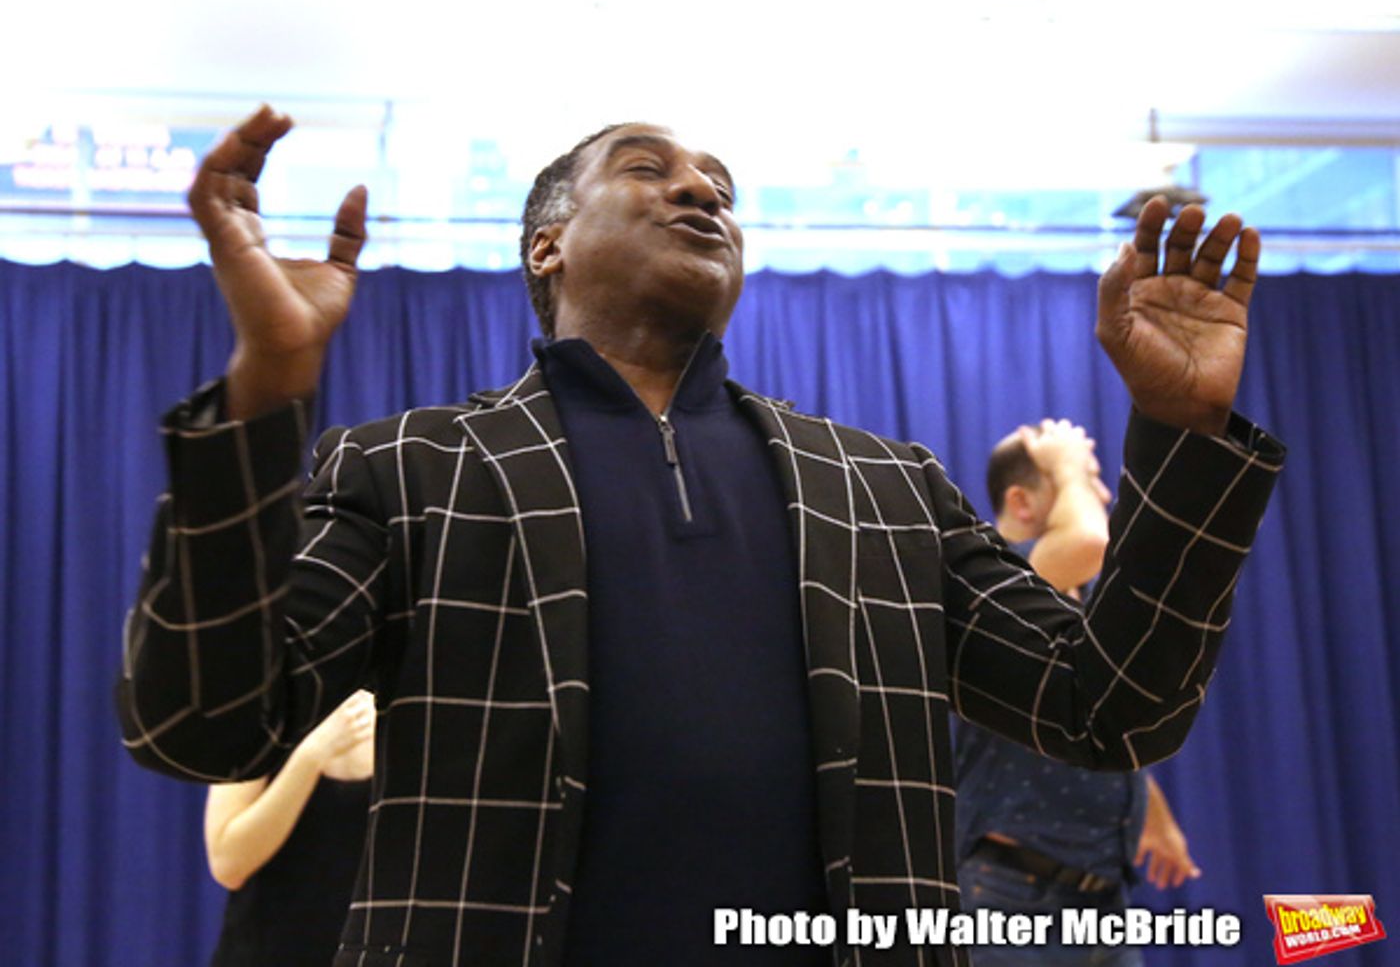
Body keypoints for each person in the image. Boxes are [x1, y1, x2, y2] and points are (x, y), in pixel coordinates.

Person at [117, 106, 1283, 967]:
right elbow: (203, 721)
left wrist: (1178, 431)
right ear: (547, 248)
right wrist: (264, 395)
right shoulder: (413, 467)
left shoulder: (879, 485)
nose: (699, 190)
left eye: (717, 182)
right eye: (648, 169)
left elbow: (1109, 701)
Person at [955, 421, 1201, 967]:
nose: (1104, 495)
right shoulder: (1001, 584)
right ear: (1021, 503)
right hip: (1010, 901)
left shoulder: (1071, 597)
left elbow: (1097, 723)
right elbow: (1094, 541)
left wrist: (1154, 816)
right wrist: (1066, 456)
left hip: (1101, 906)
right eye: (1086, 481)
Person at [203, 689, 374, 966]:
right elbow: (227, 862)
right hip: (261, 953)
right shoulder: (262, 710)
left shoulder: (406, 715)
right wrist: (311, 756)